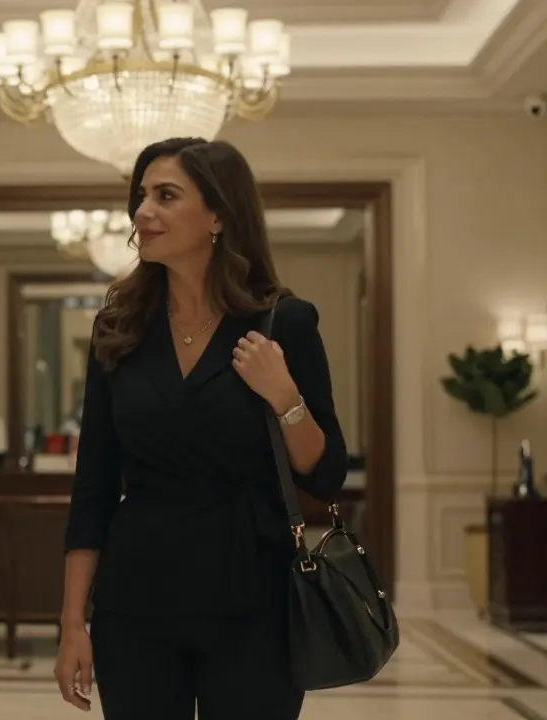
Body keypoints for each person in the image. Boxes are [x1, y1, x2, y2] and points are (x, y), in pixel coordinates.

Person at [52, 137, 348, 719]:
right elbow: (93, 488)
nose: (142, 212)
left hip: (255, 602)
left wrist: (284, 396)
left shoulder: (282, 322)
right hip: (135, 603)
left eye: (166, 196)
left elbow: (326, 473)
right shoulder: (119, 329)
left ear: (218, 215)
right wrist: (71, 623)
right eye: (141, 197)